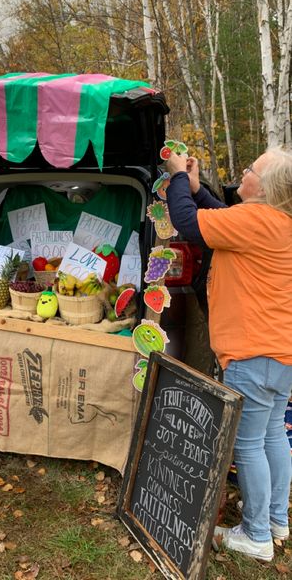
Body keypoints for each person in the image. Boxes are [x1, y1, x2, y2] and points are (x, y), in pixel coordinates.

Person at [165, 147, 292, 562]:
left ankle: (255, 536)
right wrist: (200, 190)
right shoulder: (277, 220)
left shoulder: (257, 219)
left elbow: (188, 224)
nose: (244, 170)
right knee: (273, 435)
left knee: (248, 445)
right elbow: (223, 218)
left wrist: (177, 178)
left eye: (251, 168)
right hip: (281, 353)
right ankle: (275, 519)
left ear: (266, 187)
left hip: (251, 351)